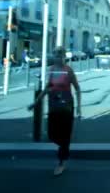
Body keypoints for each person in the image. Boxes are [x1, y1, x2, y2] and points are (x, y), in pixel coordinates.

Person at [28, 46, 81, 176]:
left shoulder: (68, 70)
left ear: (64, 56)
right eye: (55, 53)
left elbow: (77, 88)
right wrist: (36, 103)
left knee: (64, 135)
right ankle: (63, 149)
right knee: (52, 134)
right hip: (54, 106)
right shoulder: (51, 70)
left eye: (59, 53)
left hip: (67, 107)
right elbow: (47, 88)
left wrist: (79, 107)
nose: (57, 56)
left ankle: (61, 161)